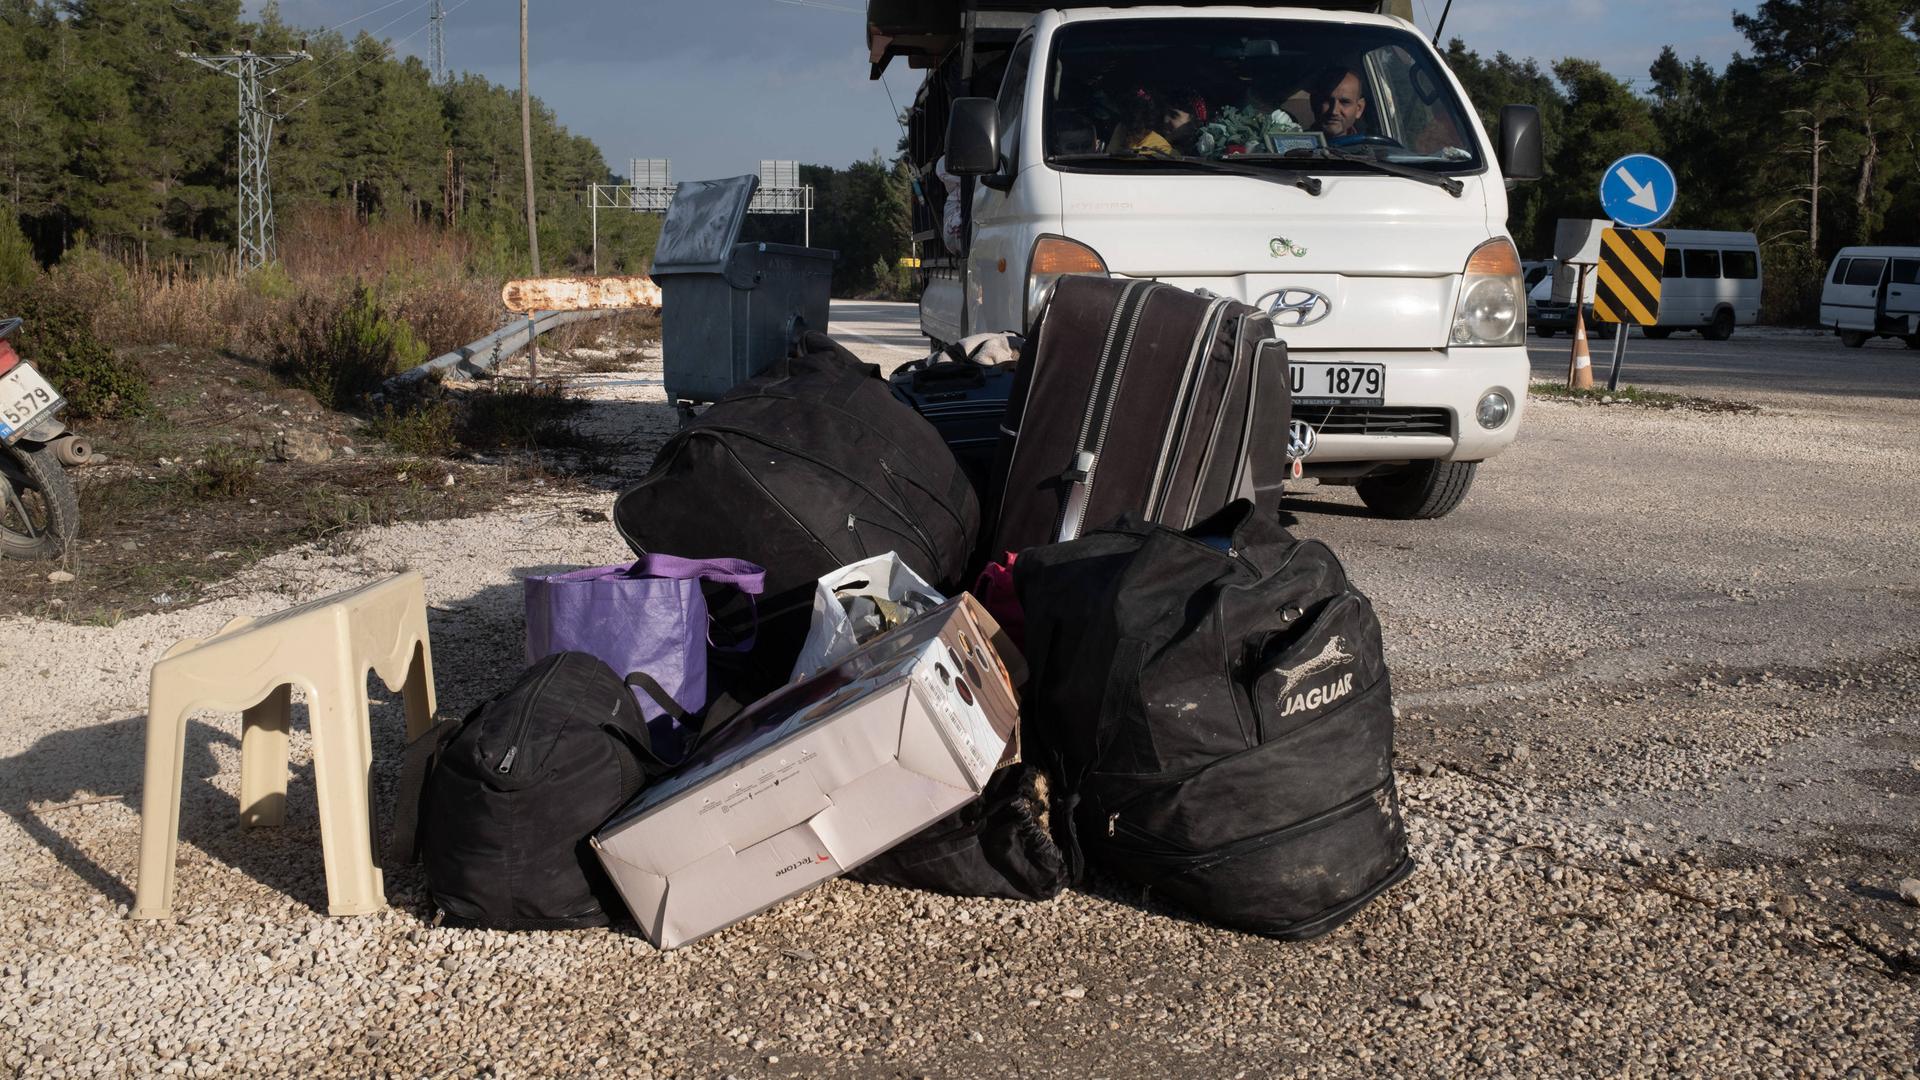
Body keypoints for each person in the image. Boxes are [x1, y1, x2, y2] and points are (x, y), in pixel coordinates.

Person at [1310, 67, 1369, 143]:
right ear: (1313, 103)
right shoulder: (1296, 146)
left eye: (1344, 102)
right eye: (1327, 101)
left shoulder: (1372, 148)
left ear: (1359, 109)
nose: (1334, 111)